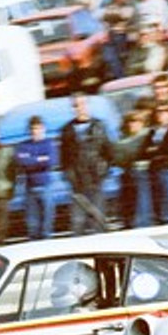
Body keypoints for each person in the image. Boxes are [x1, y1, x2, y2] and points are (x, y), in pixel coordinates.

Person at [59, 94, 116, 236]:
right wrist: (69, 176)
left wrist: (103, 170)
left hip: (96, 180)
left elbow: (109, 152)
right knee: (77, 223)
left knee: (98, 220)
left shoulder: (99, 126)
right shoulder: (67, 131)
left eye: (83, 104)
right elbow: (64, 158)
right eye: (76, 105)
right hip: (77, 184)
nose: (80, 108)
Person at [13, 116, 60, 240]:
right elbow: (22, 162)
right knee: (32, 224)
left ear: (43, 129)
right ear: (29, 130)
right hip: (30, 189)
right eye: (33, 128)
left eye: (38, 128)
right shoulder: (23, 145)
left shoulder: (49, 144)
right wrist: (40, 159)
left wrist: (32, 160)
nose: (35, 131)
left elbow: (52, 161)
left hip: (46, 187)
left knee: (47, 224)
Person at [114, 111, 149, 229]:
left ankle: (142, 223)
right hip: (128, 174)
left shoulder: (146, 136)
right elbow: (118, 158)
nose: (133, 124)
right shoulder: (123, 139)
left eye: (137, 121)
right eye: (131, 121)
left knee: (142, 202)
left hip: (143, 174)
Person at [101, 0, 136, 81]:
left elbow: (126, 16)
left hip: (128, 35)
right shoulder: (110, 5)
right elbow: (105, 18)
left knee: (126, 57)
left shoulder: (130, 4)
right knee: (113, 59)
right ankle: (120, 78)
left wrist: (114, 17)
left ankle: (130, 76)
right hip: (114, 35)